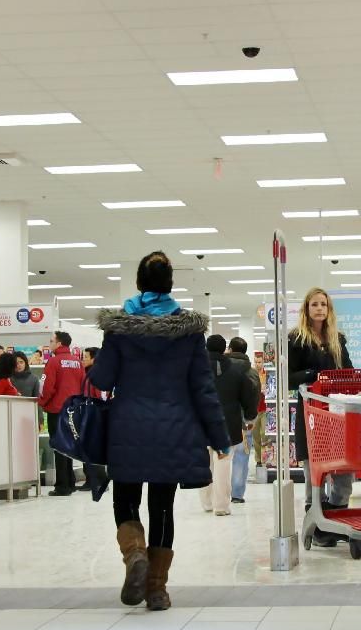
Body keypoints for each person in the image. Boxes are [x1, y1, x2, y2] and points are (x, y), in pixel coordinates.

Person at [90, 251, 229, 611]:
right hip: (175, 428)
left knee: (126, 501)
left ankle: (135, 554)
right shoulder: (189, 332)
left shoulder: (120, 329)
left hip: (128, 426)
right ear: (170, 284)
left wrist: (107, 351)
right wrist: (219, 436)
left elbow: (102, 379)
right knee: (163, 507)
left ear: (138, 283)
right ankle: (156, 589)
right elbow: (203, 388)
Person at [289, 286, 354, 547]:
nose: (319, 309)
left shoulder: (338, 340)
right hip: (312, 417)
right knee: (313, 475)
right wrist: (314, 376)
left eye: (323, 305)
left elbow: (348, 372)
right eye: (314, 304)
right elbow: (290, 376)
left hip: (338, 417)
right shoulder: (297, 340)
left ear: (329, 310)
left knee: (344, 477)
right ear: (307, 308)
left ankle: (337, 522)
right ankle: (316, 525)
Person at [200, 335, 258, 515]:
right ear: (225, 348)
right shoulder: (235, 370)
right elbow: (248, 395)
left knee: (205, 463)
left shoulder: (196, 370)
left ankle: (207, 503)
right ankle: (221, 506)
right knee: (223, 464)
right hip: (227, 423)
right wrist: (249, 416)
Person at [39, 331, 84, 497]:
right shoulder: (77, 363)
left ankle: (62, 486)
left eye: (52, 341)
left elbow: (47, 387)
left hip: (57, 410)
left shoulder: (53, 362)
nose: (50, 344)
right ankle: (70, 482)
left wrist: (42, 403)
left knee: (59, 448)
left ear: (59, 344)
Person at [228, 337, 260, 505]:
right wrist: (250, 416)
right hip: (245, 419)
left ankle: (220, 493)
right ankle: (237, 494)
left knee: (222, 456)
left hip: (225, 416)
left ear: (230, 349)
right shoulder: (252, 371)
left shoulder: (224, 368)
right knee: (242, 454)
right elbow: (255, 396)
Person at [79, 347, 110, 494]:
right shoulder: (88, 374)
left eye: (85, 357)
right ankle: (94, 479)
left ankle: (97, 479)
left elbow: (102, 396)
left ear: (93, 359)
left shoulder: (95, 376)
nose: (82, 359)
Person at [252, 351, 267, 468]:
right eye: (256, 362)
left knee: (265, 434)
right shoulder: (251, 374)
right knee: (256, 436)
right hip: (254, 410)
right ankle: (258, 460)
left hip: (266, 409)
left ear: (263, 362)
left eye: (260, 362)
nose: (258, 364)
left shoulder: (268, 374)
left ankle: (266, 457)